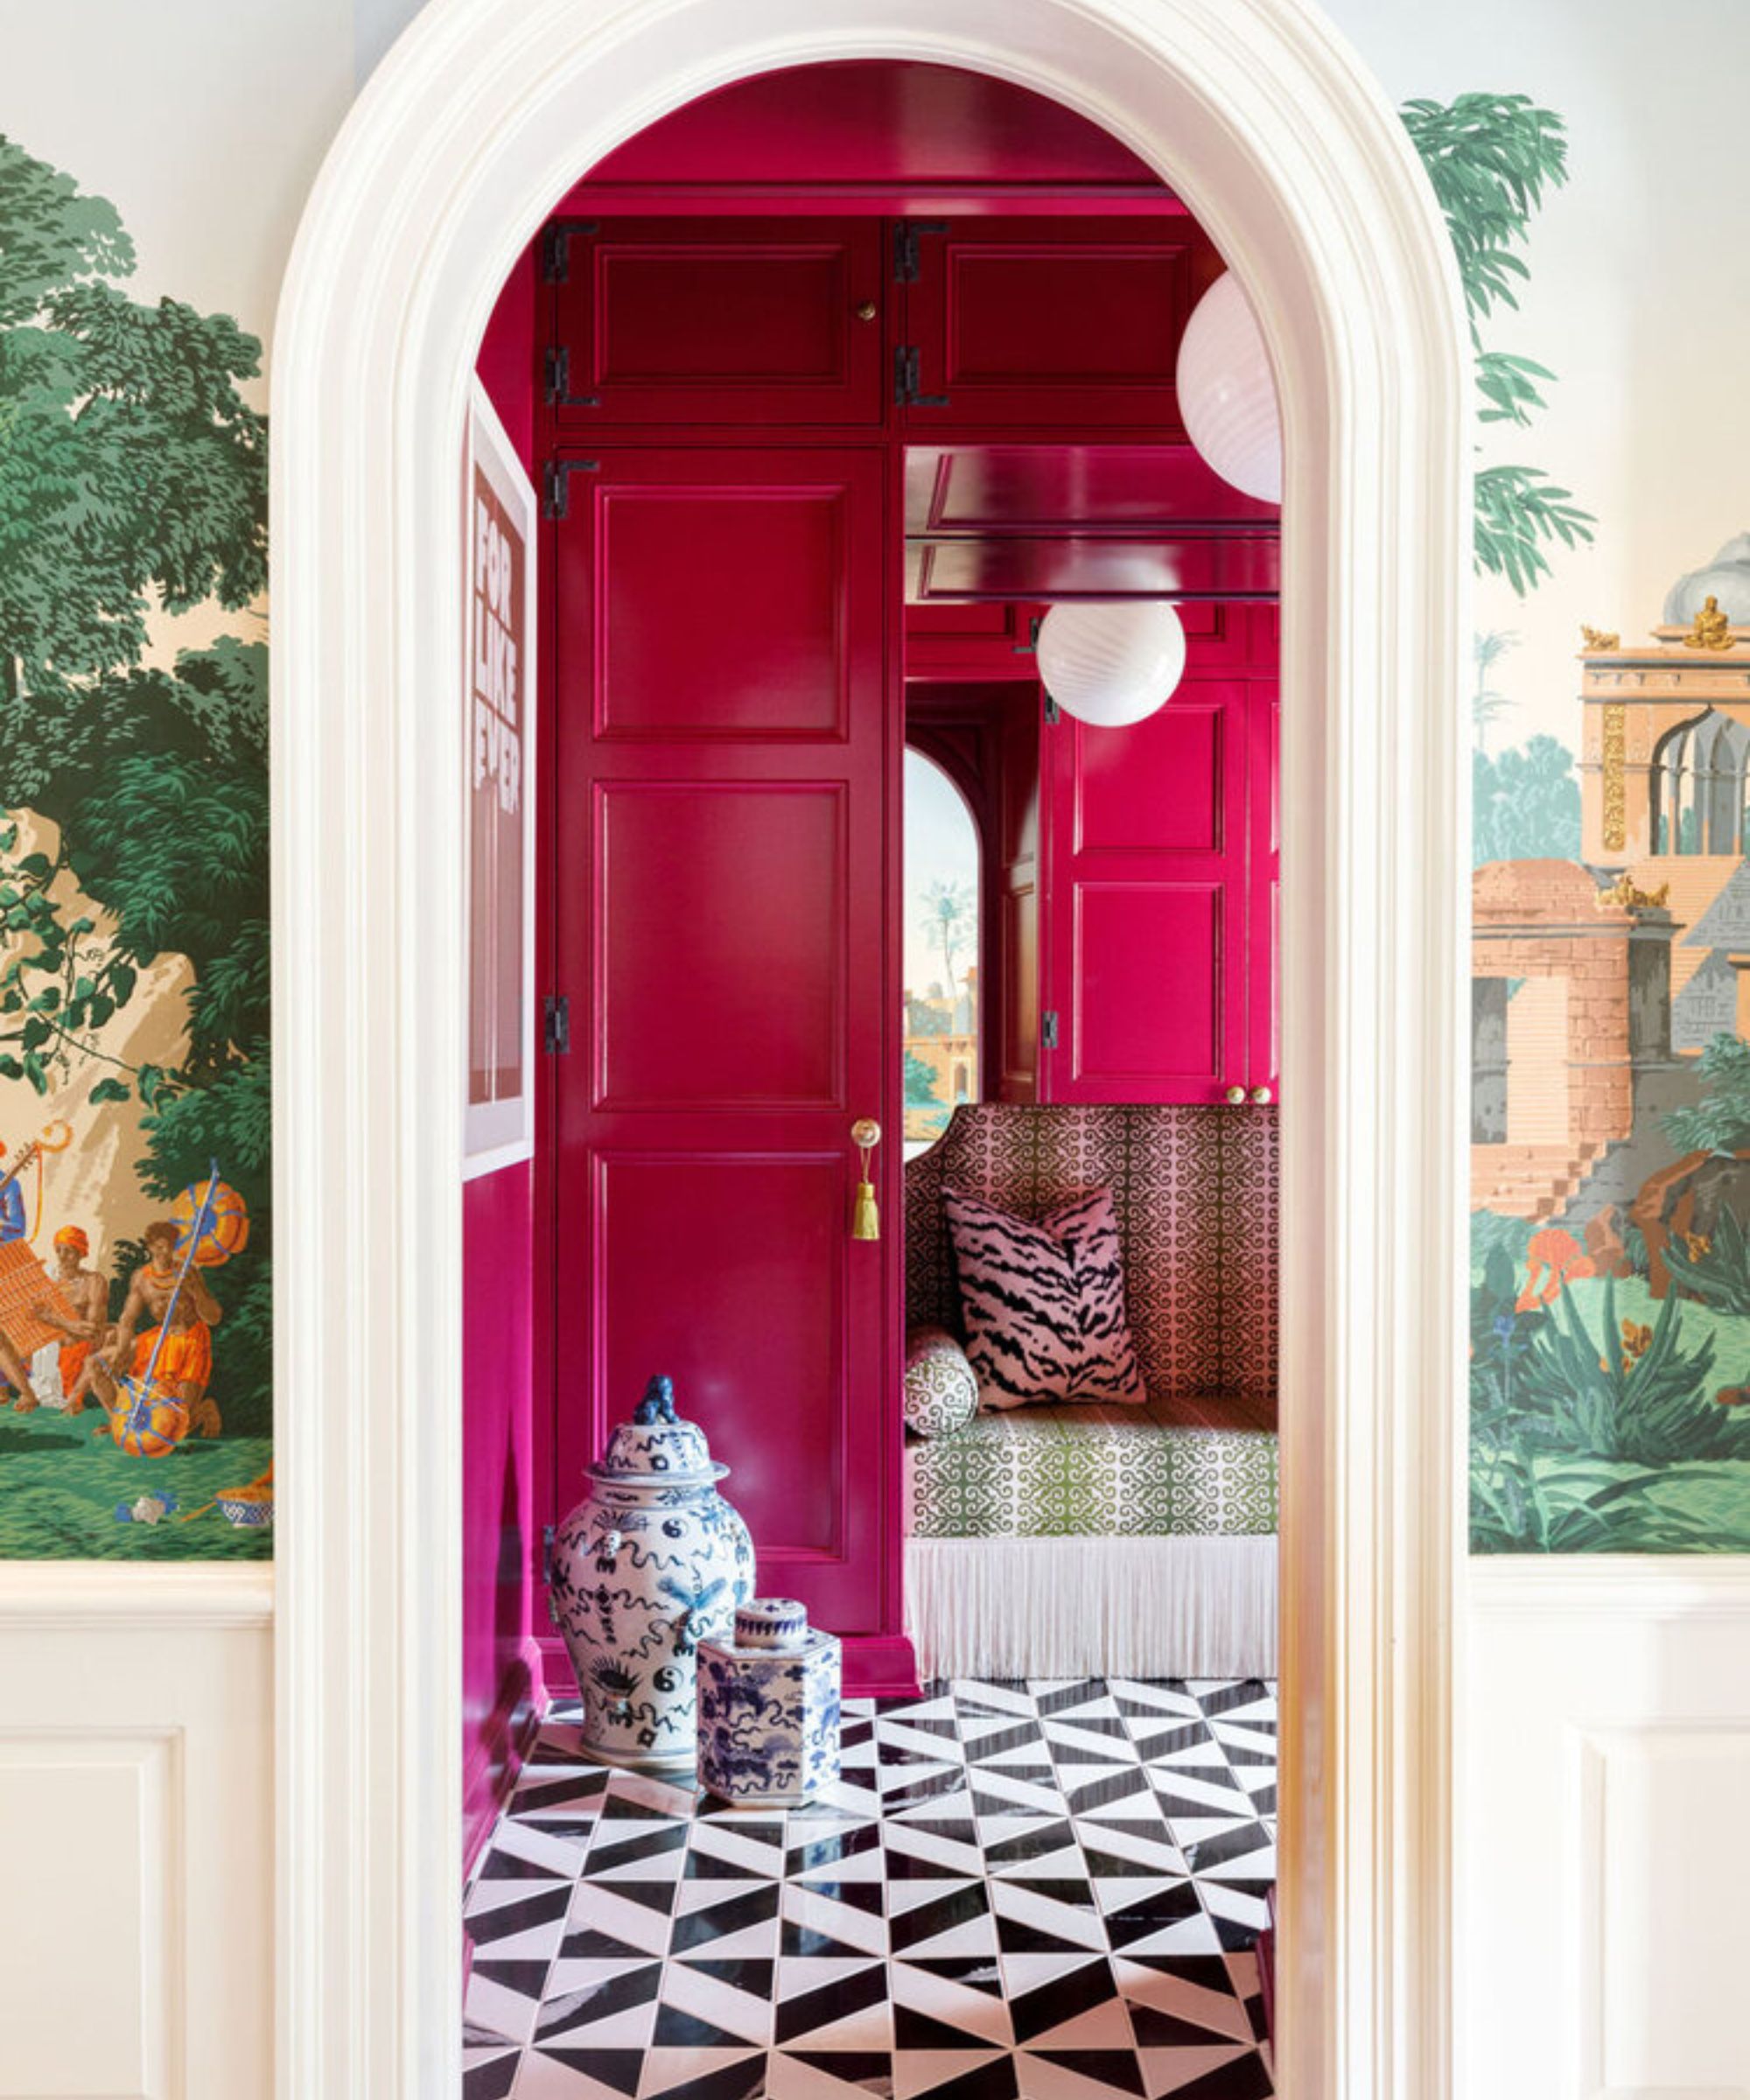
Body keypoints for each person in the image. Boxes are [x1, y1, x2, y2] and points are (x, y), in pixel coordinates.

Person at [88, 1221, 224, 1439]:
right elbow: (127, 1319)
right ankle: (120, 1421)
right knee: (95, 1364)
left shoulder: (187, 1272)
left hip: (191, 1342)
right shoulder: (142, 1279)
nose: (165, 1253)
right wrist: (122, 1350)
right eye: (160, 1247)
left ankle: (206, 1409)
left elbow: (214, 1317)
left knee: (179, 1427)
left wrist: (196, 1290)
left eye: (170, 1247)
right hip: (160, 1340)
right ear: (150, 1247)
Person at [27, 1226, 109, 1417]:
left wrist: (54, 1320)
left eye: (69, 1251)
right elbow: (31, 1317)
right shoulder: (47, 1279)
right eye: (59, 1250)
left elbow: (93, 1330)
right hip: (47, 1354)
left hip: (79, 1355)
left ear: (81, 1253)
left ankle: (74, 1395)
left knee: (112, 1335)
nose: (63, 1257)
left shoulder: (94, 1281)